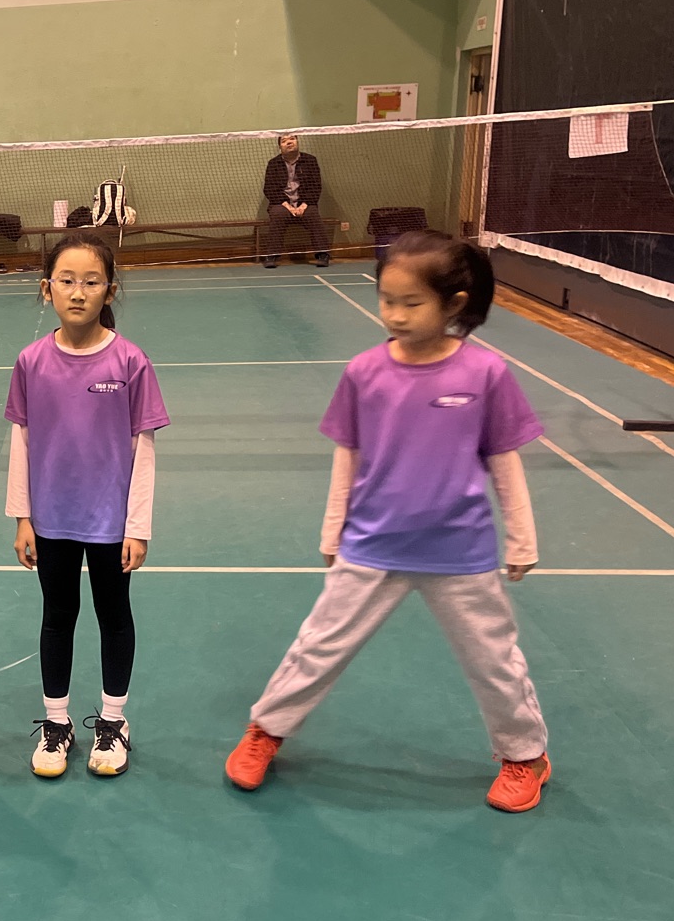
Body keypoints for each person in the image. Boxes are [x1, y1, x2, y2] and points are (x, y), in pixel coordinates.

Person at [224, 230, 552, 813]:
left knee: (494, 661)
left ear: (453, 303)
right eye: (387, 300)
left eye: (411, 303)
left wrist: (522, 537)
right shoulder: (364, 372)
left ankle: (525, 755)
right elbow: (347, 455)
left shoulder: (486, 373)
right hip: (372, 543)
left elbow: (504, 458)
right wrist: (333, 528)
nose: (395, 314)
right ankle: (266, 730)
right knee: (318, 647)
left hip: (459, 552)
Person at [7, 229, 170, 779]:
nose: (78, 292)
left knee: (113, 616)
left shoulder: (130, 361)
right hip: (51, 520)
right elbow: (21, 442)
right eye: (67, 280)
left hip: (110, 524)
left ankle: (113, 721)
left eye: (92, 282)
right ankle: (57, 724)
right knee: (57, 618)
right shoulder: (31, 361)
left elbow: (143, 450)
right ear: (46, 288)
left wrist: (137, 526)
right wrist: (23, 517)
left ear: (110, 290)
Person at [260, 133, 331, 268]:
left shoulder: (310, 161)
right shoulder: (273, 164)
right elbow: (270, 189)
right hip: (281, 204)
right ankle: (271, 255)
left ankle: (323, 254)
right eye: (284, 141)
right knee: (278, 215)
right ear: (280, 147)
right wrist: (289, 207)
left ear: (297, 142)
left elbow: (315, 186)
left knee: (312, 214)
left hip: (305, 202)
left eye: (292, 139)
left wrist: (303, 205)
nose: (289, 142)